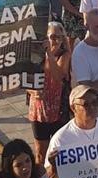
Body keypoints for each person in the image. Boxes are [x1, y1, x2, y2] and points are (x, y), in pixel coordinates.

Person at [27, 22, 70, 167]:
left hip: (58, 111)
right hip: (38, 110)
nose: (54, 41)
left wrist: (49, 55)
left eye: (58, 38)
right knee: (40, 153)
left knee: (58, 153)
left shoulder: (64, 55)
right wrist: (32, 91)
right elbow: (24, 80)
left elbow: (59, 76)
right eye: (51, 37)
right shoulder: (34, 56)